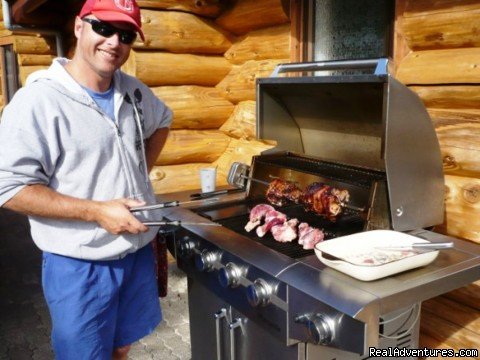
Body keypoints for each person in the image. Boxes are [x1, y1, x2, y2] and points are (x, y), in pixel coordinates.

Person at [0, 0, 172, 358]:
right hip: (80, 265)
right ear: (79, 26)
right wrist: (96, 211)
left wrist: (139, 172)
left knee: (122, 347)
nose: (114, 42)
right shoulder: (38, 101)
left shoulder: (134, 90)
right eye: (104, 28)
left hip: (137, 253)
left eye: (126, 35)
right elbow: (9, 188)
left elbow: (163, 119)